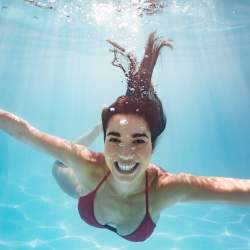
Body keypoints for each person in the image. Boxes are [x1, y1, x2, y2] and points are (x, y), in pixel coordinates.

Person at [0, 32, 249, 242]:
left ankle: (103, 123)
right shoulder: (90, 166)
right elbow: (25, 131)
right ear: (105, 142)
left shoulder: (164, 189)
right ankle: (100, 125)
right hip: (83, 190)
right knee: (58, 165)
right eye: (115, 138)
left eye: (139, 140)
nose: (125, 151)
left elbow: (237, 190)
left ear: (153, 145)